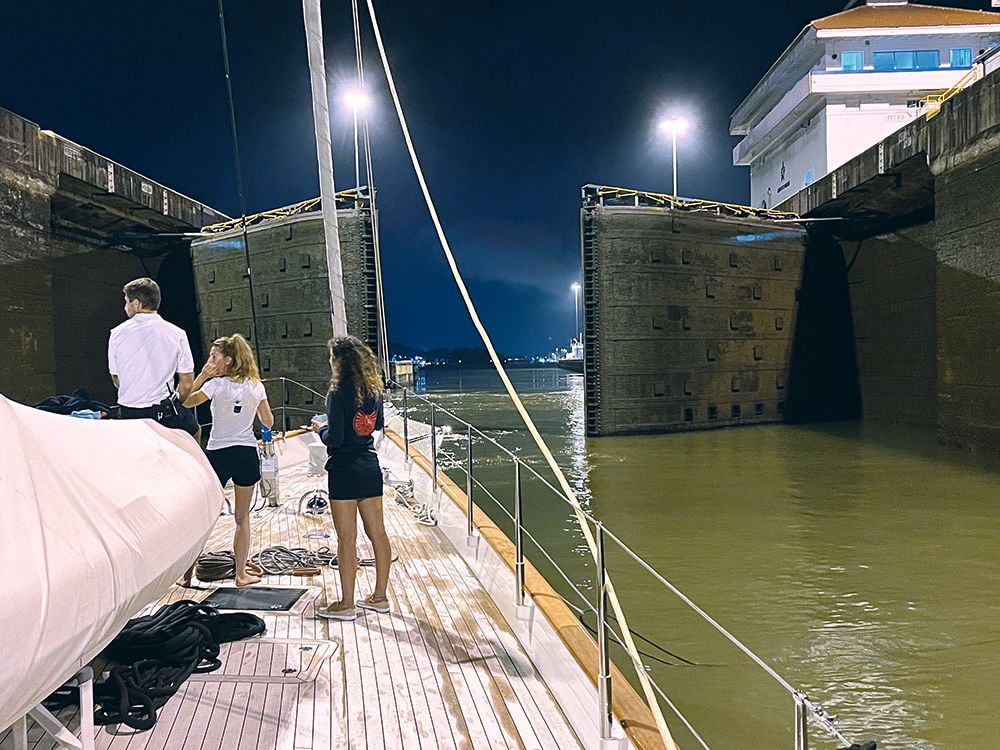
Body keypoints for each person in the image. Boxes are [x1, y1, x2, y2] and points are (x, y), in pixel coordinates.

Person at [183, 334, 273, 587]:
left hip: (218, 454)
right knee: (242, 518)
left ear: (229, 361)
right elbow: (268, 421)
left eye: (214, 356)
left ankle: (187, 575)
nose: (210, 360)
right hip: (245, 453)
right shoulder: (257, 386)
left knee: (203, 517)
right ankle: (241, 574)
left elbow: (185, 402)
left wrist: (202, 377)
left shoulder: (215, 386)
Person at [312, 336, 391, 621]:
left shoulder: (337, 393)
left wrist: (320, 429)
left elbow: (336, 437)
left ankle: (347, 604)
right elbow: (377, 424)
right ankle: (380, 597)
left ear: (339, 361)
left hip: (344, 470)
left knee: (347, 538)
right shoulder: (373, 391)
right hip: (369, 467)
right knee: (378, 534)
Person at [108, 277, 199, 436]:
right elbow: (186, 382)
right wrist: (175, 401)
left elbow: (116, 379)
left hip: (129, 414)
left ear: (136, 304)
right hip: (164, 412)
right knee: (194, 432)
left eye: (126, 302)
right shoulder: (177, 334)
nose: (125, 306)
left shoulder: (116, 334)